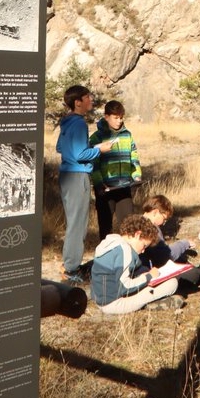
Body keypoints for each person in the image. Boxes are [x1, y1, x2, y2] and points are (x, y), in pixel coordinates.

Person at [56, 84, 112, 283]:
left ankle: (69, 264)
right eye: (87, 97)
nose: (91, 100)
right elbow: (80, 154)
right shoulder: (79, 123)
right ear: (77, 102)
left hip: (66, 176)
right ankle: (71, 269)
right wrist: (99, 149)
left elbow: (60, 147)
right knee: (78, 224)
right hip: (77, 176)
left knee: (73, 222)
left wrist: (88, 148)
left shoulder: (66, 122)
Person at [91, 214, 183, 314]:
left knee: (144, 273)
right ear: (137, 235)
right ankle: (154, 303)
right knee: (172, 284)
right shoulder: (125, 251)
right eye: (144, 245)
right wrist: (149, 276)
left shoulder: (112, 242)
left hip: (101, 300)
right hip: (114, 304)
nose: (143, 251)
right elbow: (125, 287)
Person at [90, 99, 141, 239]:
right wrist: (99, 183)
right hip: (105, 189)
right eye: (115, 117)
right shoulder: (96, 138)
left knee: (129, 226)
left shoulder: (127, 135)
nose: (119, 121)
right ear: (106, 117)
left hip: (124, 187)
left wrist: (136, 174)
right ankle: (105, 257)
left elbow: (134, 155)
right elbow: (93, 164)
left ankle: (128, 257)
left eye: (121, 117)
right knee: (105, 228)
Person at [141, 194, 200, 290]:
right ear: (155, 212)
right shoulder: (151, 228)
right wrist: (185, 244)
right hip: (149, 273)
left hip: (146, 271)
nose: (164, 223)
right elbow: (166, 256)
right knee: (194, 274)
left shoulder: (138, 221)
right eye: (164, 219)